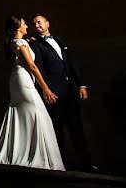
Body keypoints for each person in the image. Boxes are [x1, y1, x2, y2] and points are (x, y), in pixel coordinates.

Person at [0, 16, 65, 170]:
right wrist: (45, 87)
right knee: (36, 113)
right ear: (18, 28)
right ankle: (33, 154)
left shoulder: (17, 42)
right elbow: (32, 66)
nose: (27, 26)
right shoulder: (21, 43)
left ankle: (23, 151)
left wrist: (29, 43)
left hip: (18, 79)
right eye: (25, 24)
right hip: (24, 80)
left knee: (25, 114)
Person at [30, 13, 96, 172]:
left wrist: (81, 84)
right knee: (57, 130)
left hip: (70, 91)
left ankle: (87, 164)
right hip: (54, 93)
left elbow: (70, 62)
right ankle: (64, 165)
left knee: (77, 128)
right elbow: (39, 67)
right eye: (34, 24)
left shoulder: (59, 39)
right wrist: (46, 89)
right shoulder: (35, 44)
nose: (37, 26)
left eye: (39, 23)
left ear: (47, 24)